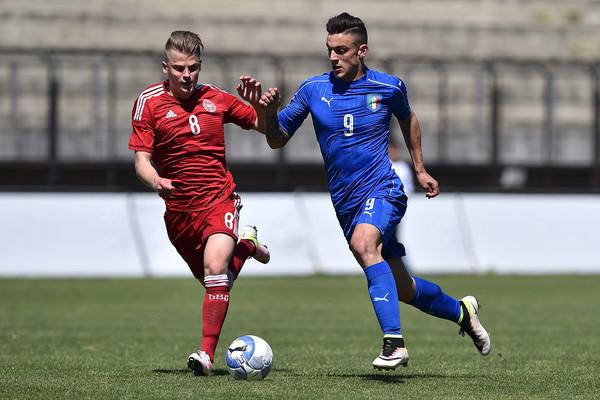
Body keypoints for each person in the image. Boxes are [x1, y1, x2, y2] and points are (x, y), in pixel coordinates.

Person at [247, 12, 491, 370]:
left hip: (384, 188)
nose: (334, 57)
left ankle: (394, 343)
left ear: (362, 50)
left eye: (342, 50)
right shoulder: (313, 90)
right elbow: (276, 140)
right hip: (346, 203)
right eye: (329, 49)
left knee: (365, 245)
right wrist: (265, 114)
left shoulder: (389, 87)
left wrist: (420, 169)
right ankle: (462, 312)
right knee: (403, 288)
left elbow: (408, 118)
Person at [128, 30, 271, 377]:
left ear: (200, 66)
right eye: (179, 68)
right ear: (166, 67)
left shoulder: (216, 98)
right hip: (179, 214)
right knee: (218, 280)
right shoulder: (148, 102)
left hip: (219, 198)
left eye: (193, 67)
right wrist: (156, 181)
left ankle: (205, 355)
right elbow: (141, 161)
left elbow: (266, 129)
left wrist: (263, 108)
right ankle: (247, 246)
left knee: (215, 267)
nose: (187, 75)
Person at [388, 136, 414, 272]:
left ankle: (399, 270)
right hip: (382, 207)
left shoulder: (403, 167)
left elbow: (408, 188)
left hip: (396, 208)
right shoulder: (383, 165)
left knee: (392, 239)